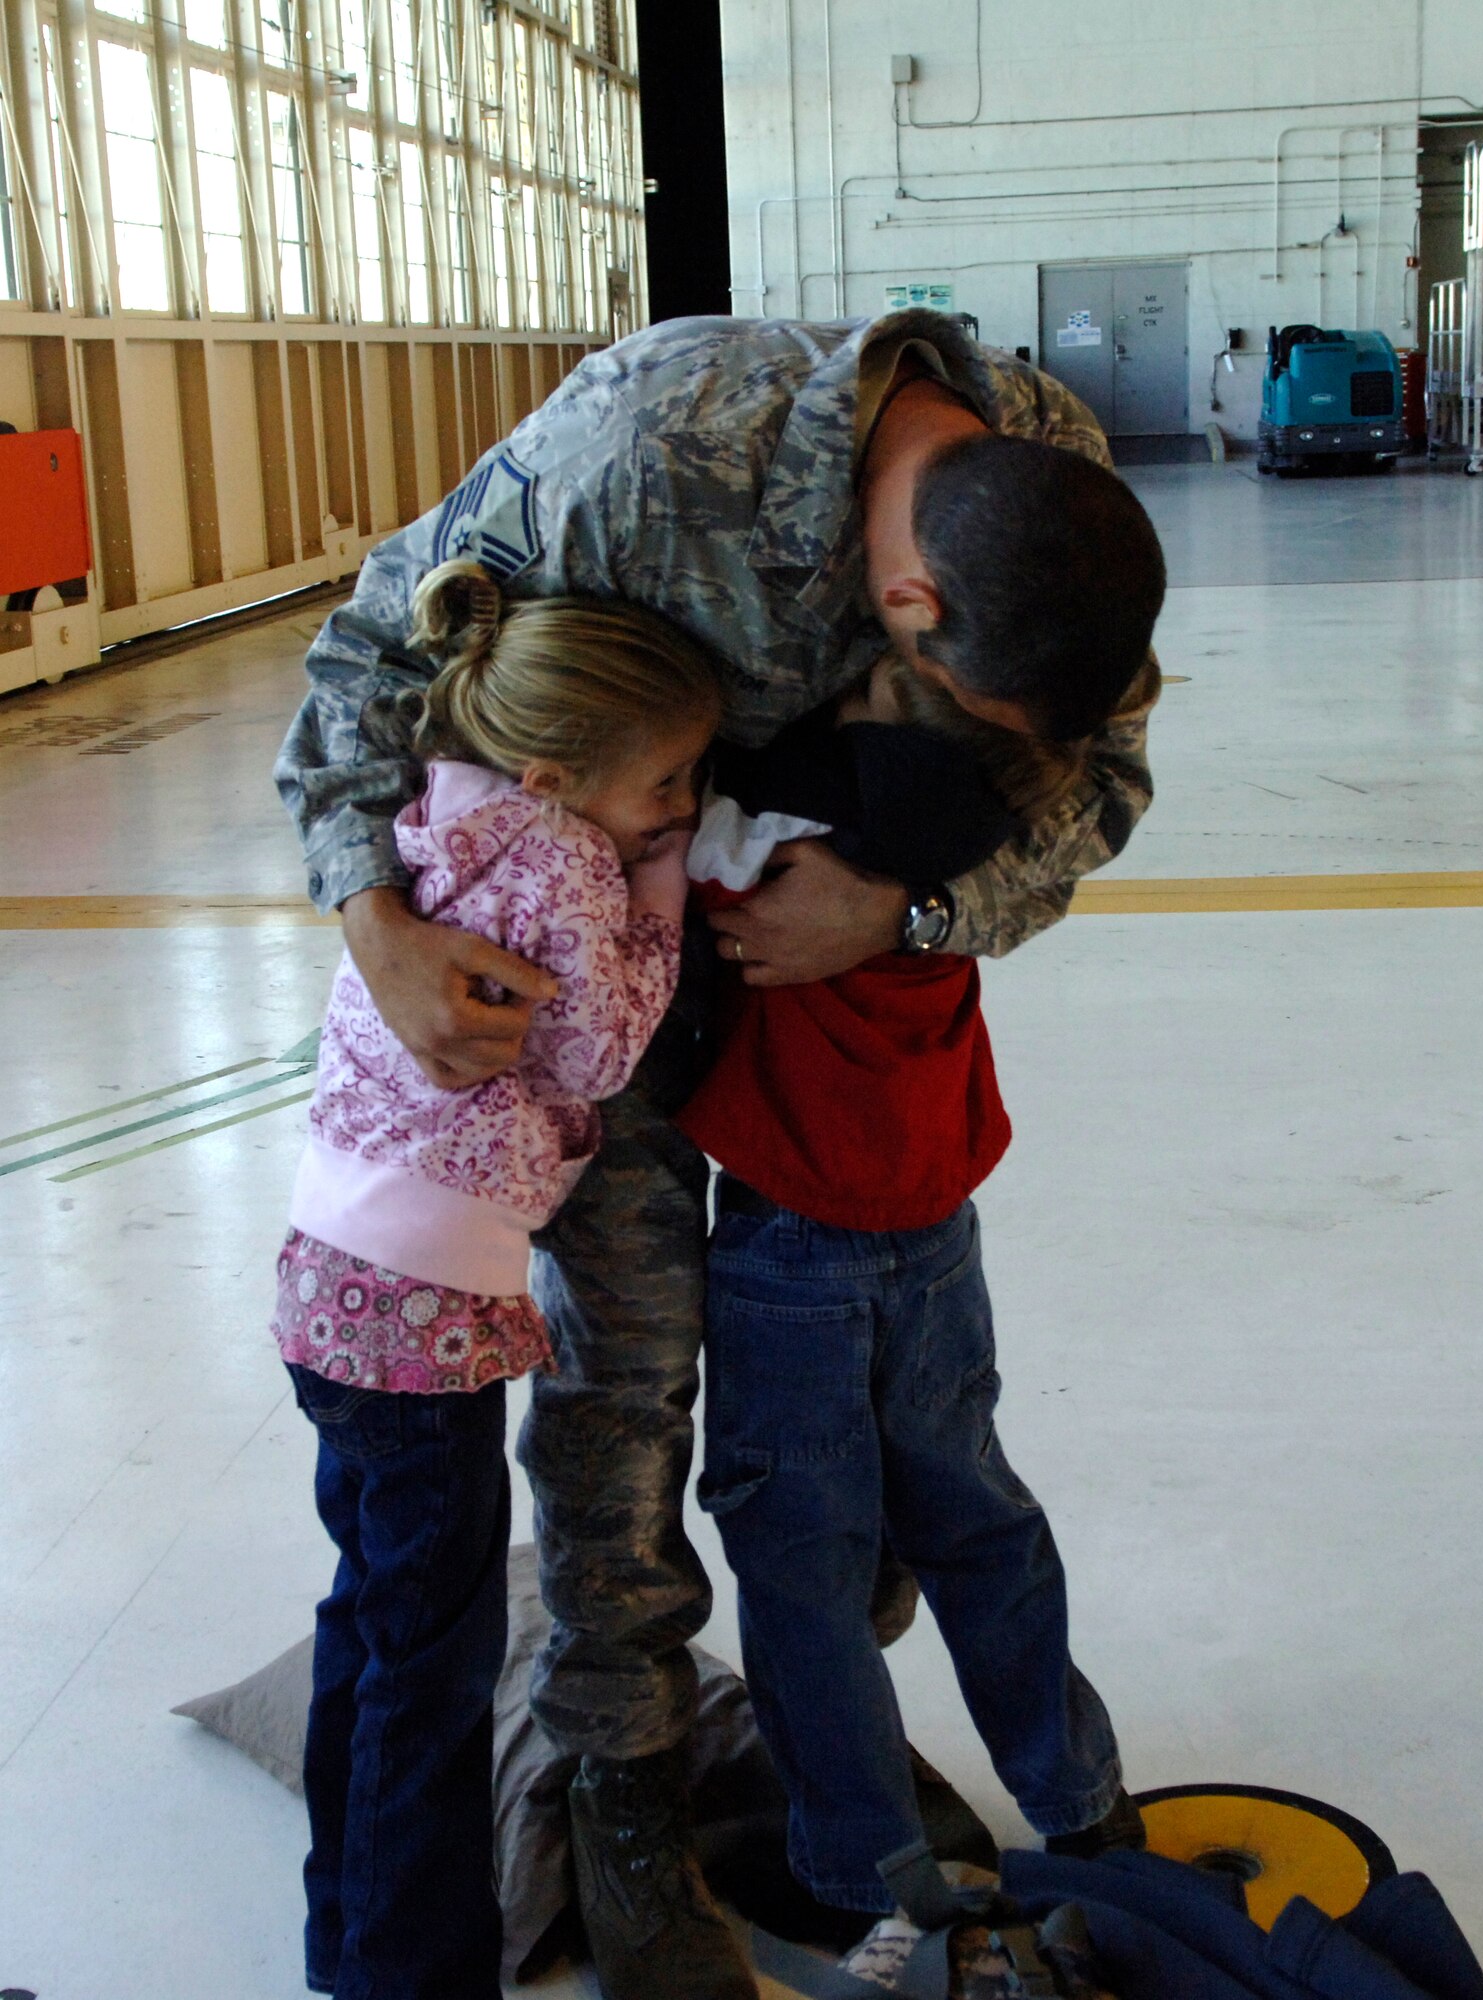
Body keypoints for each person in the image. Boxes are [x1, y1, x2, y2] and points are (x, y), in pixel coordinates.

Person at [276, 308, 1163, 2000]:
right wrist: (375, 918)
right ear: (905, 601)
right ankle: (620, 1763)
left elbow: (1093, 791)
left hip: (825, 1017)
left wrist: (904, 906)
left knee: (851, 1427)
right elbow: (368, 652)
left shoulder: (1054, 494)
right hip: (575, 994)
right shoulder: (643, 457)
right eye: (950, 692)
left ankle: (813, 1736)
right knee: (622, 1382)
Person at [677, 444, 1165, 1973]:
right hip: (935, 1235)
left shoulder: (766, 844)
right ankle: (1078, 1804)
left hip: (786, 1251)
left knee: (802, 1562)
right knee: (973, 1516)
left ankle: (860, 1870)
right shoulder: (948, 857)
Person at [272, 561, 720, 2000]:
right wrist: (658, 881)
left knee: (375, 1611)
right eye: (668, 779)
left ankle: (341, 1924)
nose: (683, 803)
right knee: (437, 1658)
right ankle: (409, 1971)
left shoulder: (443, 814)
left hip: (331, 1275)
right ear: (556, 771)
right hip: (426, 1314)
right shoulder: (572, 863)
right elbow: (598, 1051)